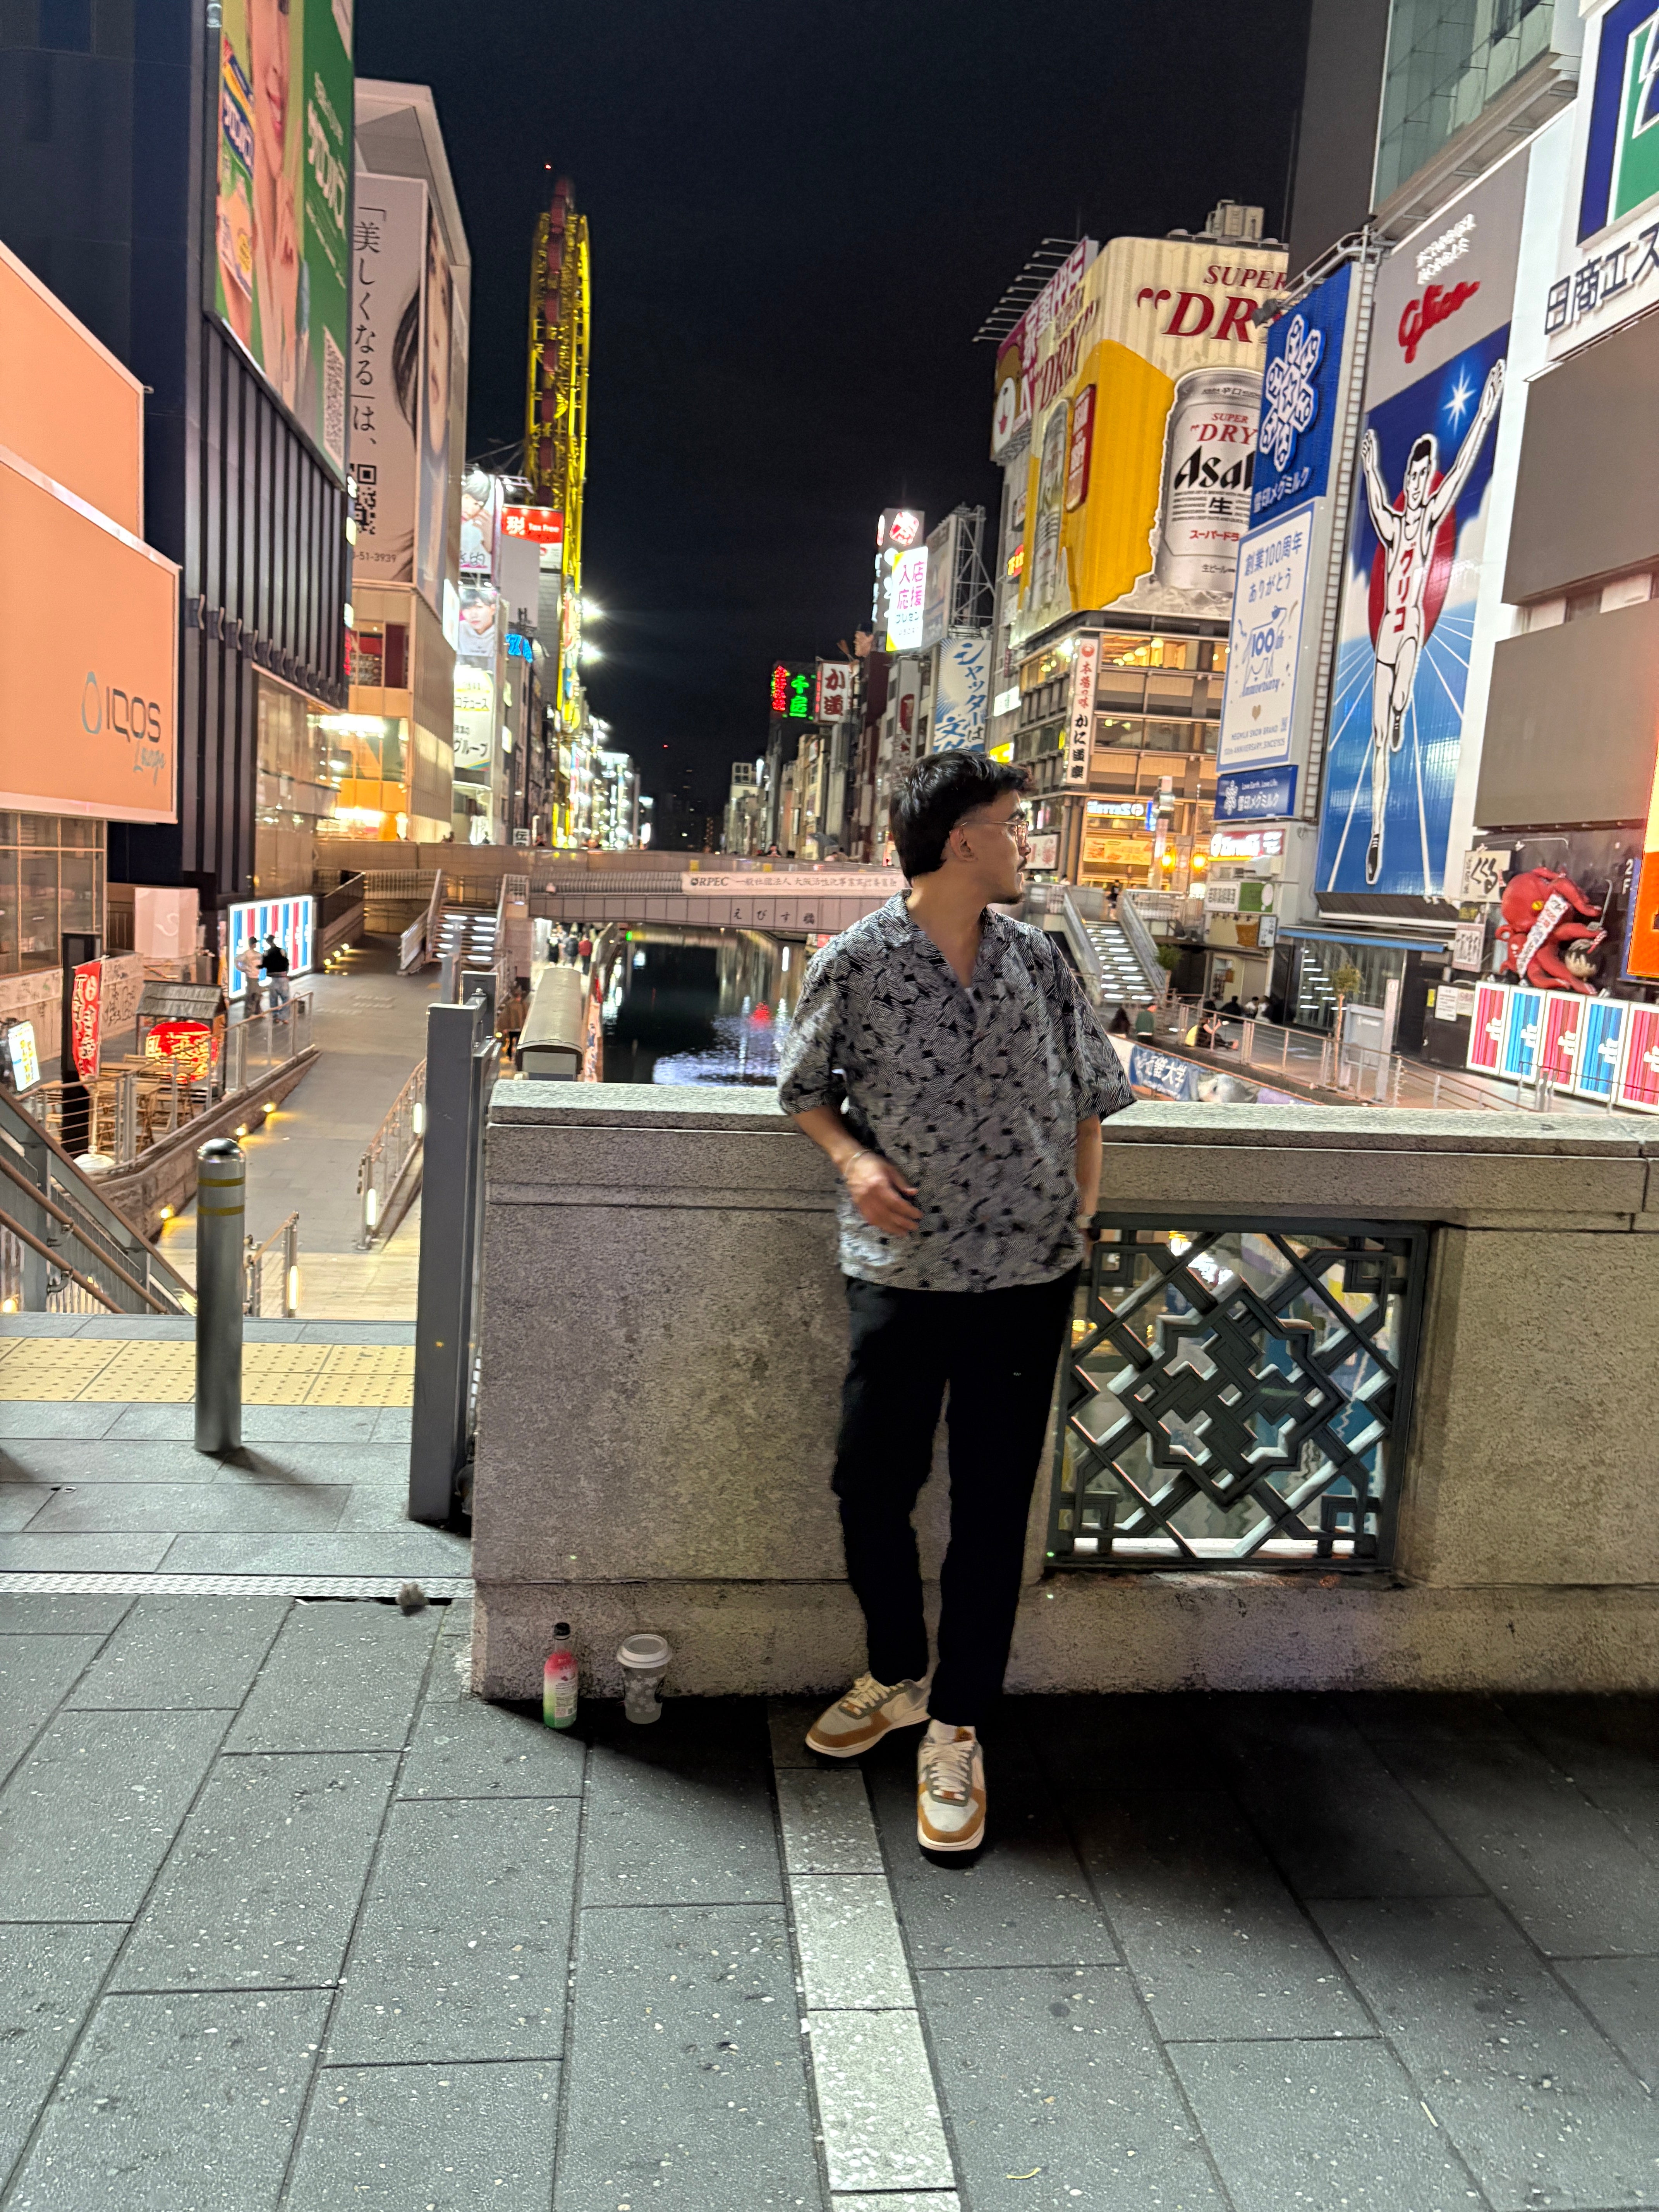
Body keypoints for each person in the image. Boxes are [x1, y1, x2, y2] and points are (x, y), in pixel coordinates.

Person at [778, 753, 1132, 1855]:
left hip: (1026, 1283)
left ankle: (957, 1727)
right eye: (1016, 826)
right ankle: (893, 1672)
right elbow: (802, 1090)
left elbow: (1091, 1094)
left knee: (990, 1508)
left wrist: (1078, 1210)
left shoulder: (1038, 961)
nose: (1029, 844)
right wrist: (851, 1164)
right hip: (900, 1279)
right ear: (961, 840)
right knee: (866, 1484)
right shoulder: (858, 961)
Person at [1356, 359, 1504, 886]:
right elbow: (1375, 504)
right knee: (1377, 737)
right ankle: (1376, 832)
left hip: (1412, 624)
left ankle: (1401, 710)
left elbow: (1464, 465)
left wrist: (1486, 410)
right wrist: (1372, 467)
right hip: (1385, 638)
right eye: (1413, 476)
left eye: (1424, 474)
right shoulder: (1396, 528)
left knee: (1399, 697)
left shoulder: (1432, 514)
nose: (1418, 483)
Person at [260, 933, 291, 1012]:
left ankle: (276, 1016)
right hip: (283, 977)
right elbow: (286, 962)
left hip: (273, 978)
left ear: (268, 943)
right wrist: (286, 973)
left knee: (273, 1000)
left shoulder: (267, 953)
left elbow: (264, 965)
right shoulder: (282, 951)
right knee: (286, 998)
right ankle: (284, 1017)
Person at [235, 939, 263, 1016]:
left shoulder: (258, 954)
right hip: (251, 977)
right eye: (255, 943)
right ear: (252, 944)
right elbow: (237, 960)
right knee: (251, 995)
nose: (256, 945)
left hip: (256, 977)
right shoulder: (247, 954)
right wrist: (243, 969)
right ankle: (249, 1013)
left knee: (258, 994)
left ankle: (257, 1011)